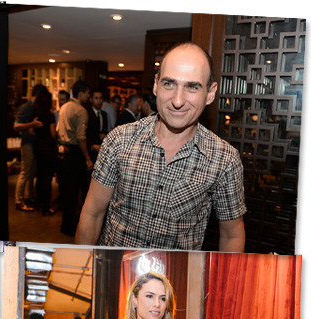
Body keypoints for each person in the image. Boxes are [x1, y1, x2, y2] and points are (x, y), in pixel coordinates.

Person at [76, 42, 246, 252]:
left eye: (192, 87)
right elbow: (92, 213)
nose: (177, 100)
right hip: (113, 269)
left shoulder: (224, 159)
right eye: (169, 84)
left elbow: (232, 235)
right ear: (156, 85)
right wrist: (81, 266)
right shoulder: (119, 140)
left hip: (179, 273)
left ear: (210, 93)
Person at [57, 80, 92, 237]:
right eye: (88, 93)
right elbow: (80, 138)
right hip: (76, 152)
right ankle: (72, 226)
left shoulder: (64, 107)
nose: (88, 96)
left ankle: (66, 225)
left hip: (65, 151)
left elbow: (59, 130)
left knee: (67, 191)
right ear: (81, 93)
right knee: (77, 191)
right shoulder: (81, 110)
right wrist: (87, 158)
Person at [14, 84, 48, 211]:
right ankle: (19, 201)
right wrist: (33, 124)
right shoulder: (26, 107)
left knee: (32, 172)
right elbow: (16, 126)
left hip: (34, 144)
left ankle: (28, 197)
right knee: (25, 172)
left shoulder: (35, 107)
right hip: (27, 143)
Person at [32, 89, 58, 216]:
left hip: (38, 147)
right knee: (47, 177)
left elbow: (31, 132)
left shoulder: (35, 114)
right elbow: (53, 134)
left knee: (40, 176)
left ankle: (39, 203)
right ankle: (46, 207)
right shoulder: (50, 115)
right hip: (49, 148)